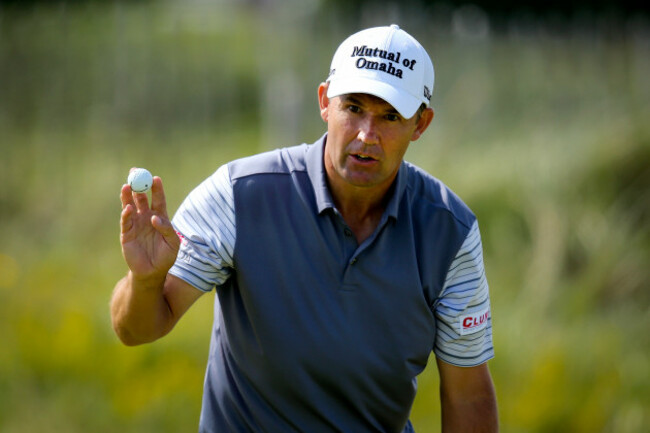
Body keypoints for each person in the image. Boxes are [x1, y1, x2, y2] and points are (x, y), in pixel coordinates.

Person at [111, 24, 498, 432]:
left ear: (421, 124)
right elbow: (136, 330)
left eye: (390, 116)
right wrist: (145, 281)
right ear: (324, 103)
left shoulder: (450, 232)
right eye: (353, 108)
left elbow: (467, 393)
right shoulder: (239, 195)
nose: (367, 135)